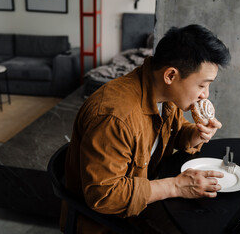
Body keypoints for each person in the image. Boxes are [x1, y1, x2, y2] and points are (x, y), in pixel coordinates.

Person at [62, 24, 231, 233]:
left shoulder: (166, 96)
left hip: (145, 202)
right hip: (108, 222)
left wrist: (195, 135)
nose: (205, 94)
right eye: (202, 85)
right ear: (170, 75)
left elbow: (175, 132)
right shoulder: (114, 117)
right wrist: (175, 186)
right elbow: (105, 196)